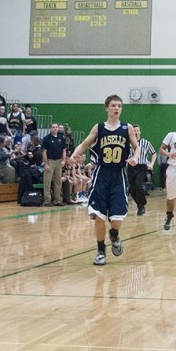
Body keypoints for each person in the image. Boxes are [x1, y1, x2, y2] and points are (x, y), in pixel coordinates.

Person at [71, 94, 138, 266]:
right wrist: (74, 154)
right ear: (107, 108)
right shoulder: (99, 128)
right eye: (114, 105)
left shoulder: (126, 127)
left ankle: (114, 234)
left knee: (117, 219)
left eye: (120, 106)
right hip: (101, 174)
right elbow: (84, 144)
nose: (117, 108)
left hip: (118, 175)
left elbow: (136, 147)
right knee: (99, 216)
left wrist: (135, 157)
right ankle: (101, 251)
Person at [128, 125, 157, 216]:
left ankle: (141, 206)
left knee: (138, 185)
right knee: (131, 189)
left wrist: (151, 164)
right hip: (131, 166)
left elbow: (153, 153)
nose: (136, 132)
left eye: (137, 130)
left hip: (141, 166)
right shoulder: (127, 143)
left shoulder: (145, 142)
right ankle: (141, 204)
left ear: (140, 132)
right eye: (134, 130)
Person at [41, 122, 67, 205]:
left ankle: (58, 200)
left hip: (59, 161)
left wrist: (64, 160)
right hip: (50, 161)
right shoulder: (46, 138)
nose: (55, 128)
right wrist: (46, 164)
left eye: (56, 127)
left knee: (58, 181)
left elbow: (64, 150)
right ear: (50, 129)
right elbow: (44, 152)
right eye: (53, 127)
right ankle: (47, 200)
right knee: (47, 181)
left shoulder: (61, 138)